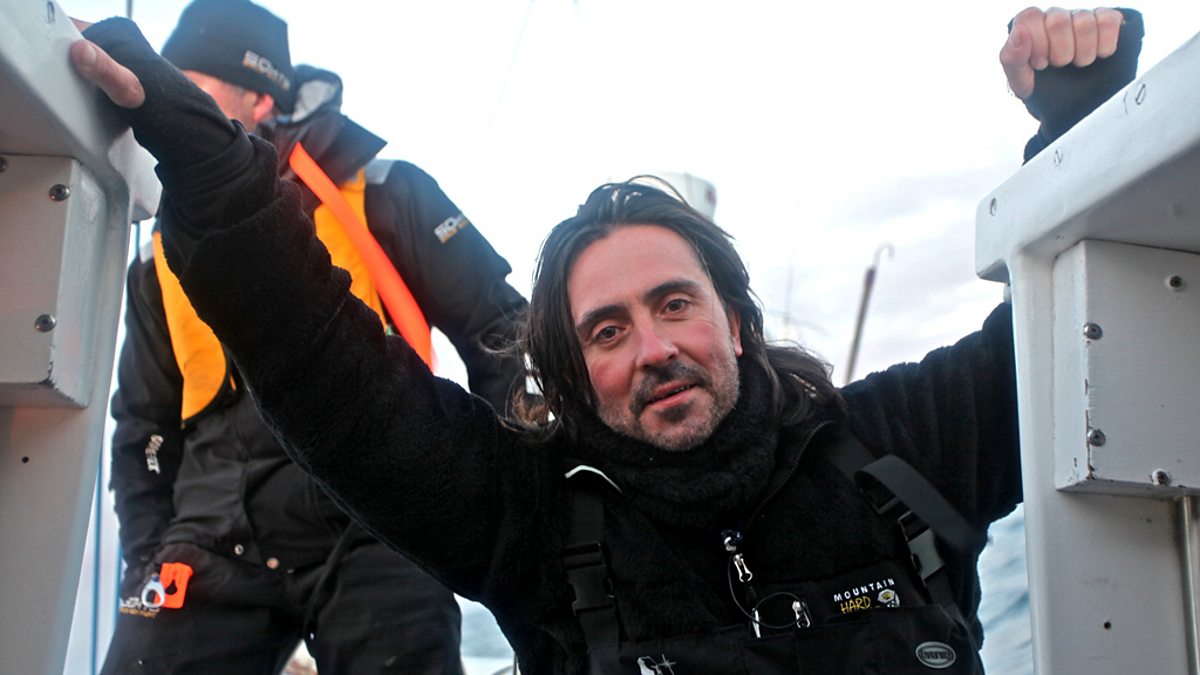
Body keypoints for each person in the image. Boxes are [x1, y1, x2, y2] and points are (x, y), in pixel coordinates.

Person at [70, 6, 1141, 673]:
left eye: (675, 304)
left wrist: (1082, 135)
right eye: (608, 330)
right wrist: (213, 172)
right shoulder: (533, 523)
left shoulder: (897, 449)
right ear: (576, 376)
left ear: (735, 320)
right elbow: (333, 378)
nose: (654, 348)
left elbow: (1079, 344)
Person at [99, 0, 528, 672]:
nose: (164, 103)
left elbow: (502, 330)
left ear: (260, 97)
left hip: (381, 521)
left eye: (188, 86)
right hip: (210, 538)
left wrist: (492, 501)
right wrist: (148, 556)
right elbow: (142, 426)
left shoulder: (385, 191)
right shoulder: (158, 257)